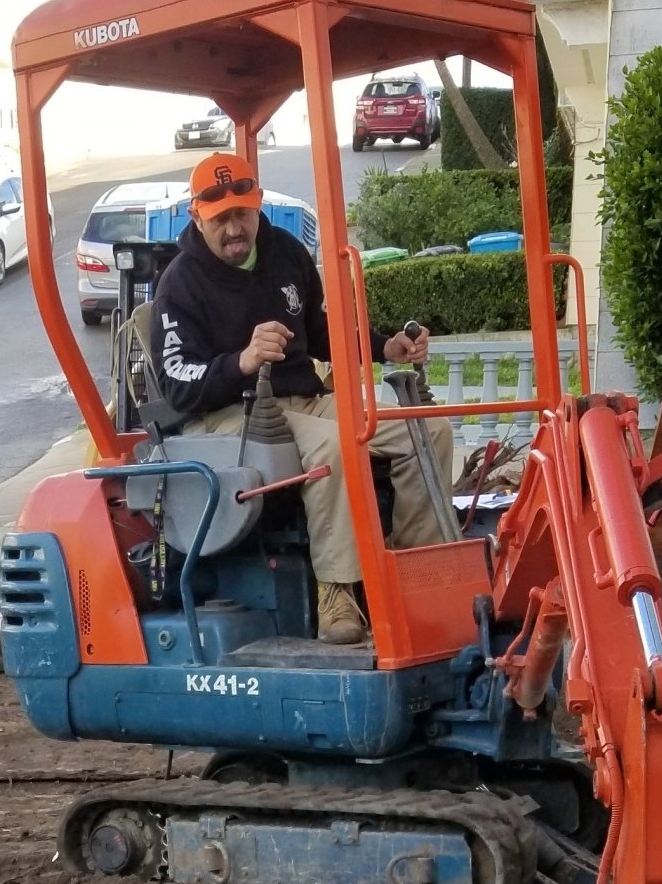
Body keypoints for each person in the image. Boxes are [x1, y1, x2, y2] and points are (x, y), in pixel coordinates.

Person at [148, 151, 446, 646]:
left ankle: (417, 573)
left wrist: (383, 347)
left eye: (241, 213)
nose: (233, 228)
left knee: (423, 427)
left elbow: (319, 329)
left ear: (258, 203)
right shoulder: (179, 285)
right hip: (227, 415)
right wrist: (241, 361)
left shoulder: (285, 251)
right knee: (336, 446)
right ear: (195, 216)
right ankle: (337, 591)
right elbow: (178, 380)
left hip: (301, 398)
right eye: (219, 219)